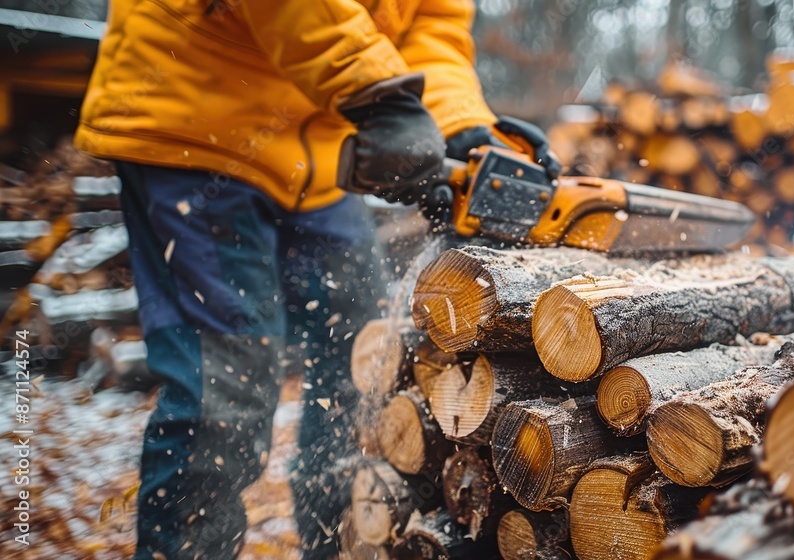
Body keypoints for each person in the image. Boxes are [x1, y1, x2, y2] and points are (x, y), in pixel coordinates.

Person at [74, 0, 560, 558]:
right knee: (226, 384)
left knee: (364, 360)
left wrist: (456, 124)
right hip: (196, 122)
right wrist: (382, 97)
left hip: (316, 152)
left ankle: (335, 545)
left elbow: (432, 22)